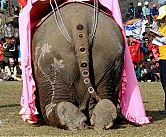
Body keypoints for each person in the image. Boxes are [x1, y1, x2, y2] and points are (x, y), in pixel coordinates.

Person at [18, 0, 150, 125]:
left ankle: (57, 107)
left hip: (53, 9)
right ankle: (102, 102)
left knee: (27, 22)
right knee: (116, 21)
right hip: (100, 20)